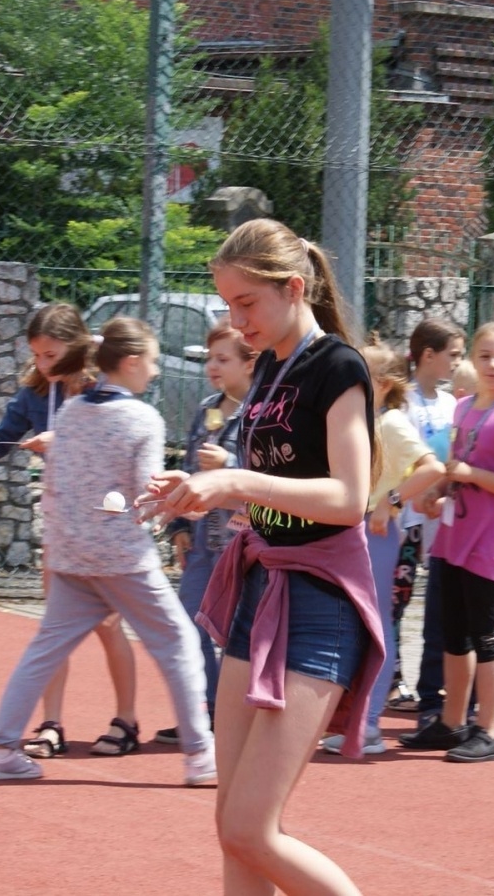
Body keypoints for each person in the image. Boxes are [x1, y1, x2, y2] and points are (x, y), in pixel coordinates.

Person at [143, 218, 383, 894]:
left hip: (319, 605)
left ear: (294, 288)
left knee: (252, 828)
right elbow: (275, 490)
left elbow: (348, 498)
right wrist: (203, 491)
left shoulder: (337, 366)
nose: (235, 320)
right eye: (228, 304)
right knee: (232, 826)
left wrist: (237, 484)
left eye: (246, 302)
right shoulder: (272, 366)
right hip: (260, 593)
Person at [0, 317, 216, 785]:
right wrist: (189, 505)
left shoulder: (70, 412)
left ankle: (0, 751)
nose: (156, 370)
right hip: (123, 559)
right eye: (152, 360)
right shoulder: (143, 419)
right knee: (179, 643)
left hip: (69, 555)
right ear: (131, 362)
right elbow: (147, 496)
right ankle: (201, 756)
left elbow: (56, 484)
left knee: (44, 651)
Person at [0, 303, 139, 758]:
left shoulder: (105, 390)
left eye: (51, 354)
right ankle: (50, 725)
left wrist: (62, 440)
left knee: (108, 625)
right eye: (37, 355)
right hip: (61, 525)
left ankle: (126, 721)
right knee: (55, 628)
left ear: (77, 346)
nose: (43, 364)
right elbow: (3, 436)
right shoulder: (36, 393)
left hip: (104, 525)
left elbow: (120, 441)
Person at [397, 322, 494, 763]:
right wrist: (437, 491)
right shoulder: (463, 409)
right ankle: (452, 722)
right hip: (454, 535)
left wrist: (471, 475)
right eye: (485, 356)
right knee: (454, 634)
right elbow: (454, 464)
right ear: (474, 360)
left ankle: (487, 730)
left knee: (485, 634)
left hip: (490, 541)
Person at [321, 337, 444, 755]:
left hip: (375, 534)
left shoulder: (391, 423)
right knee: (350, 626)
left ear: (385, 383)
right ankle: (353, 721)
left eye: (362, 372)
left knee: (376, 627)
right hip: (347, 531)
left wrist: (391, 501)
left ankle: (370, 724)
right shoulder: (355, 420)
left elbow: (432, 467)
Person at [156, 323, 256, 746]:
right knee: (188, 624)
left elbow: (268, 476)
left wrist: (229, 463)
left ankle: (236, 715)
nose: (212, 366)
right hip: (202, 543)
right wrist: (179, 526)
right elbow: (188, 468)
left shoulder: (261, 412)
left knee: (237, 632)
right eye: (210, 358)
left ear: (249, 363)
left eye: (223, 359)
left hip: (242, 543)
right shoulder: (205, 409)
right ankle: (209, 710)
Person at [388, 318, 465, 719]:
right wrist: (413, 496)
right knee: (395, 601)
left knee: (440, 606)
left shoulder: (452, 404)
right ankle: (390, 679)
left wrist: (442, 493)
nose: (458, 362)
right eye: (453, 355)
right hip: (406, 520)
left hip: (441, 520)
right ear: (428, 355)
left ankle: (435, 683)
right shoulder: (404, 402)